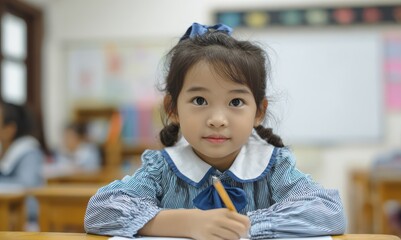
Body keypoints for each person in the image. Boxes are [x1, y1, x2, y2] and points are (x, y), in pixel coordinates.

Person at [84, 23, 346, 239]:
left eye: (235, 102)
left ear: (258, 112)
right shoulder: (162, 169)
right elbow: (100, 211)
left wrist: (242, 225)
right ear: (173, 108)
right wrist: (187, 223)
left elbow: (328, 211)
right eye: (199, 101)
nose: (218, 120)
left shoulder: (273, 167)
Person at [0, 101, 45, 223]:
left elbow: (27, 188)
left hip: (26, 222)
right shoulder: (4, 150)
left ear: (9, 129)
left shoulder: (28, 151)